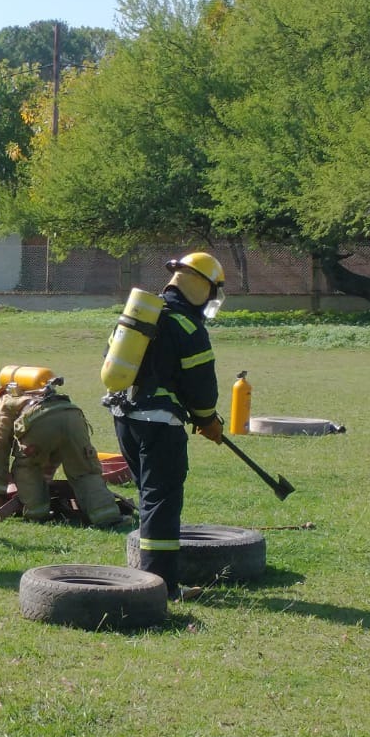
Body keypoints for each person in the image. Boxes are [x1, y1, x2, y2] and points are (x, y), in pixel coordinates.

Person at [106, 252, 227, 601]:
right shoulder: (188, 327)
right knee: (162, 502)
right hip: (160, 424)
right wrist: (207, 420)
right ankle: (160, 587)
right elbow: (202, 387)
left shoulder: (140, 315)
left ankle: (150, 575)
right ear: (202, 287)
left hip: (124, 417)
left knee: (148, 497)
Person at [0, 373, 124, 527]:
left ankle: (37, 515)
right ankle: (107, 516)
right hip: (72, 416)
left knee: (27, 467)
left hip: (39, 420)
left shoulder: (3, 403)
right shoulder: (36, 393)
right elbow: (56, 444)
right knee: (85, 471)